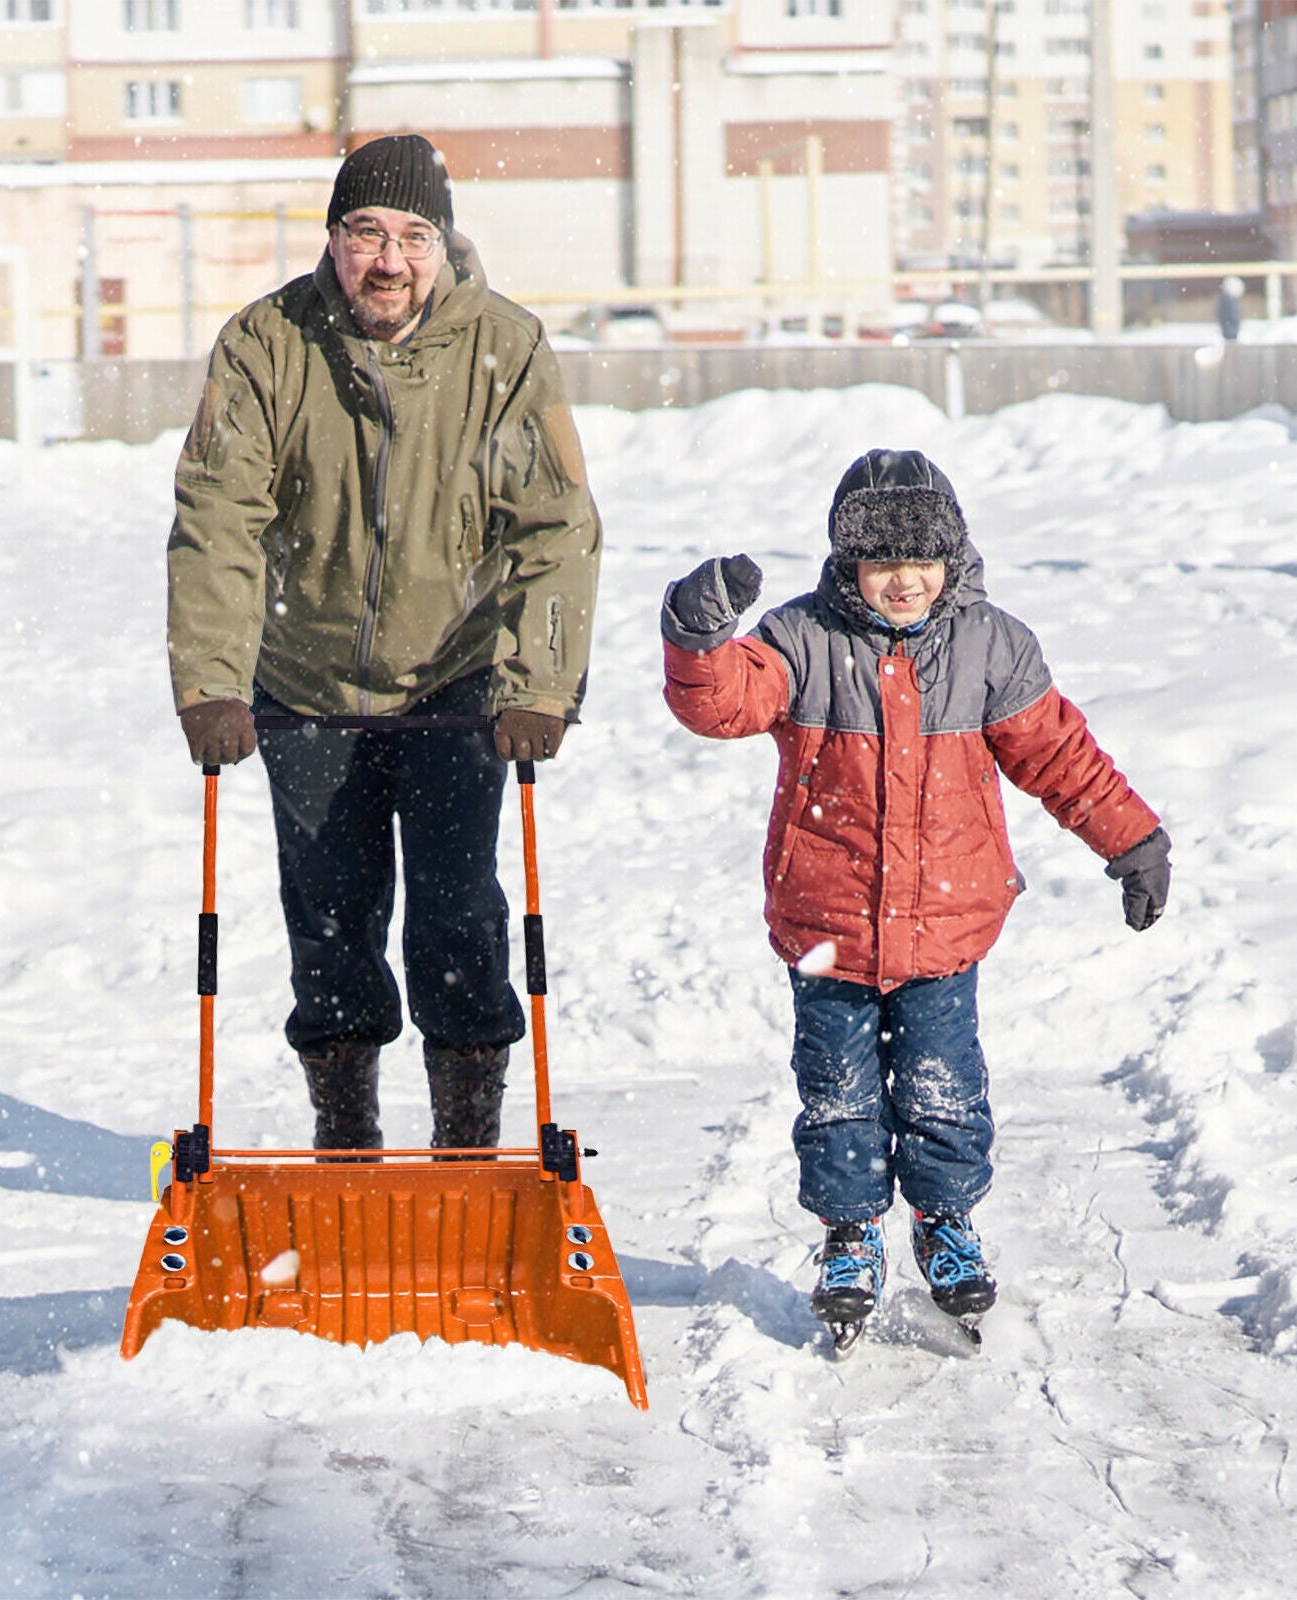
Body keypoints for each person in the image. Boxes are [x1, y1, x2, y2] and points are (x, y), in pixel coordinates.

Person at [659, 448, 1170, 1344]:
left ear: (954, 556)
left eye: (922, 559)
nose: (905, 581)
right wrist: (698, 640)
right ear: (848, 560)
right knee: (839, 1093)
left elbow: (1057, 754)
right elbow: (722, 705)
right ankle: (851, 1235)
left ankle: (945, 1225)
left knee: (942, 1089)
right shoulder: (801, 638)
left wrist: (1129, 838)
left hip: (944, 927)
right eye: (883, 559)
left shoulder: (990, 645)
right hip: (828, 927)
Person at [166, 134, 601, 1156]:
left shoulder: (505, 347)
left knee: (458, 918)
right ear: (334, 240)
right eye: (366, 233)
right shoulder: (266, 343)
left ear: (443, 247)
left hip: (454, 687)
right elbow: (216, 517)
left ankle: (466, 1152)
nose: (389, 261)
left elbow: (554, 525)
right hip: (303, 684)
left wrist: (537, 685)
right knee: (328, 926)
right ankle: (347, 1145)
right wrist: (211, 682)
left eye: (412, 236)